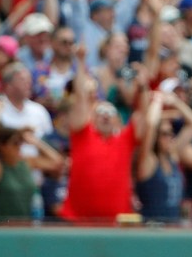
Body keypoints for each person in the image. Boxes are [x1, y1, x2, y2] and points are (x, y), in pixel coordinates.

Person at [59, 62, 147, 222]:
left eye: (110, 112)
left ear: (117, 120)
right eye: (101, 112)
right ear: (92, 117)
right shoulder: (82, 134)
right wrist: (81, 60)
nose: (105, 115)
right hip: (78, 221)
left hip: (117, 223)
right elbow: (80, 98)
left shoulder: (125, 139)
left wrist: (142, 87)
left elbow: (142, 114)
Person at [0, 98, 63, 222]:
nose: (20, 146)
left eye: (21, 142)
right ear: (2, 146)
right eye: (15, 143)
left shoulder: (26, 163)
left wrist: (34, 141)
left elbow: (57, 162)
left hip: (24, 230)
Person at [136, 91, 192, 223]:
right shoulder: (149, 161)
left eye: (171, 133)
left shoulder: (173, 156)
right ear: (156, 138)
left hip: (173, 229)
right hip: (152, 230)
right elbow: (150, 125)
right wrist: (158, 101)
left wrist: (175, 101)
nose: (170, 137)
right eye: (164, 134)